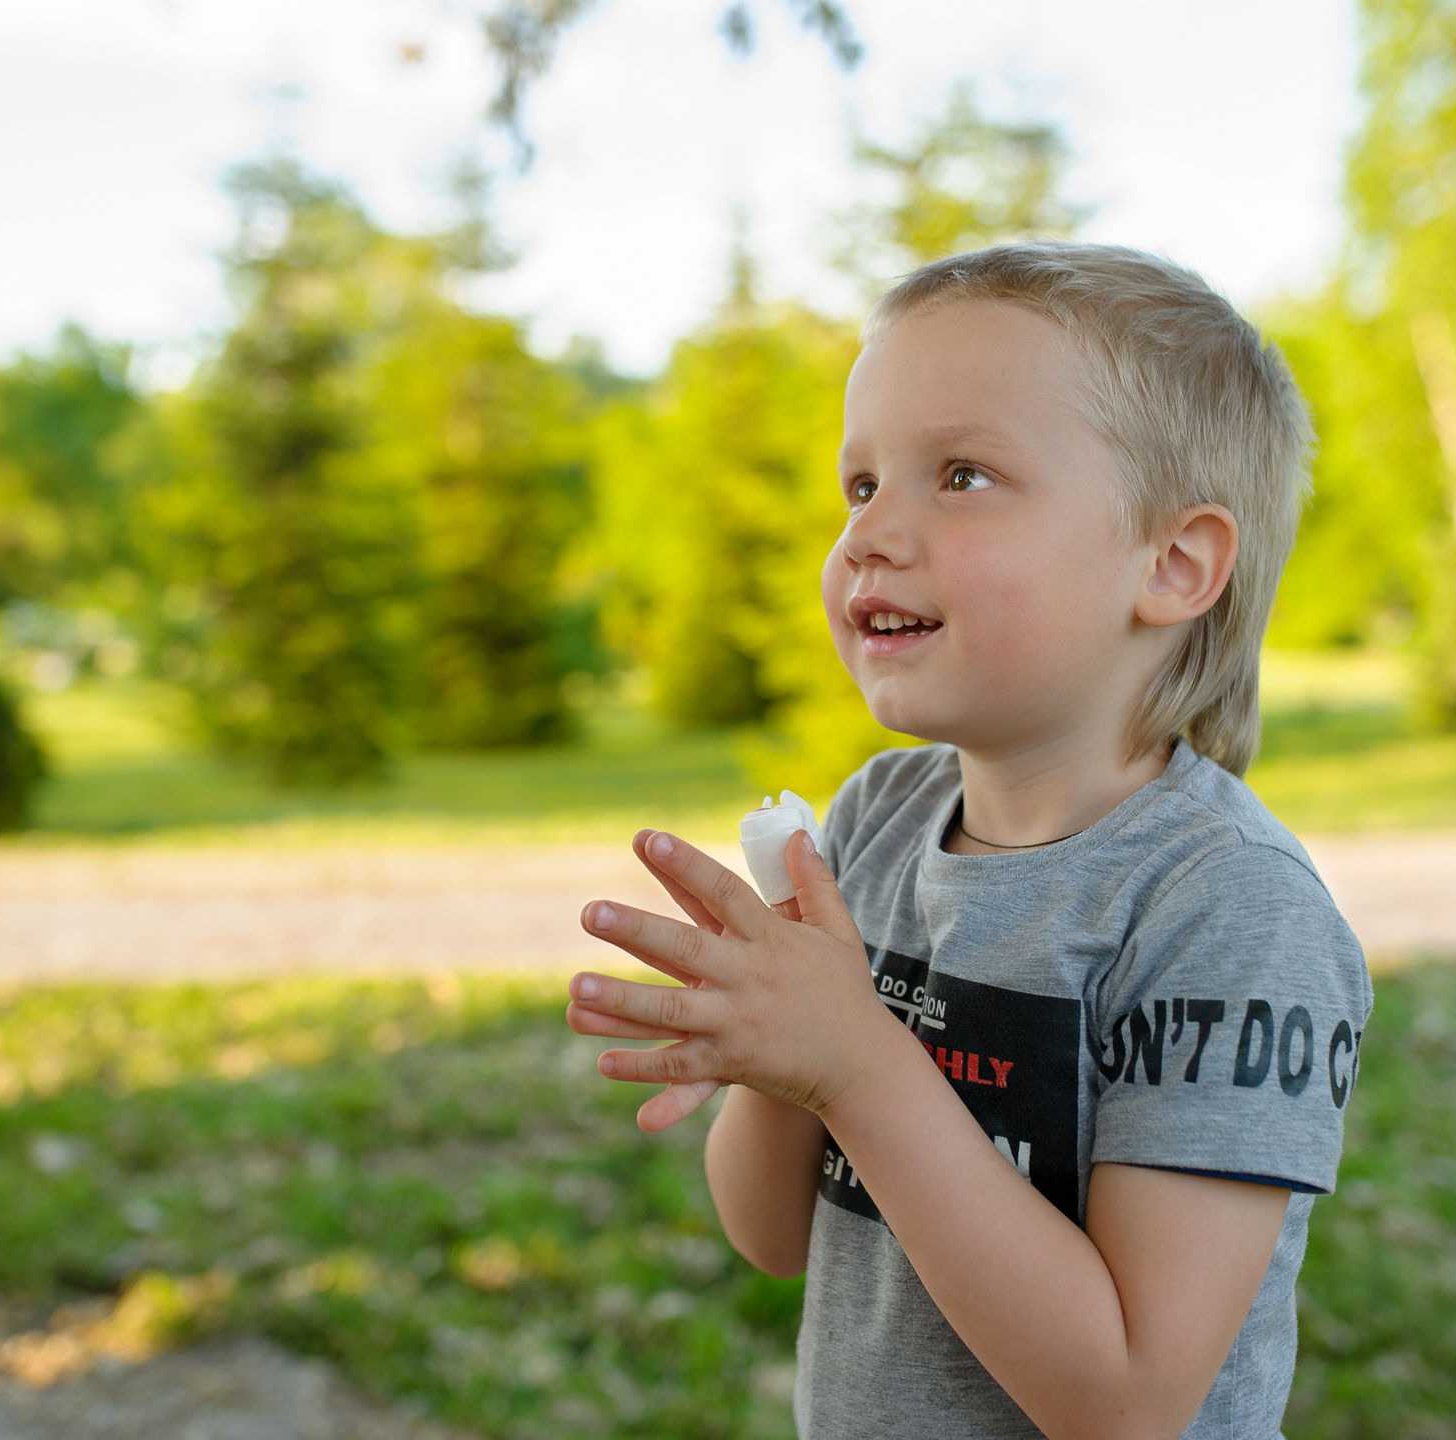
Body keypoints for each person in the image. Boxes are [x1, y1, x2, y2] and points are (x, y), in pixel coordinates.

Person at [565, 242, 1372, 1439]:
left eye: (962, 475)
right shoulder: (875, 825)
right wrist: (781, 1055)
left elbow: (1129, 1399)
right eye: (860, 486)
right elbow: (773, 1234)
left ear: (1173, 564)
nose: (870, 535)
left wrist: (853, 1058)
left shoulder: (1223, 907)